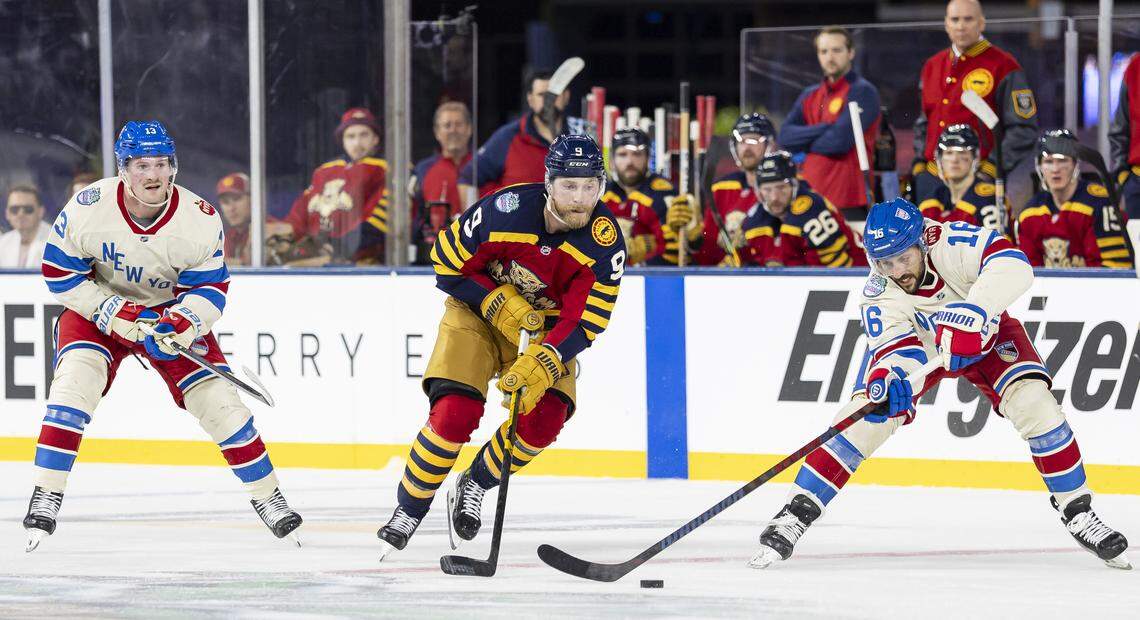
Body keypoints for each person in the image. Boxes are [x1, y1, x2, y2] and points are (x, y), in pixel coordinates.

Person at [750, 197, 1130, 571]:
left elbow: (1016, 265)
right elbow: (897, 352)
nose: (897, 270)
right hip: (924, 348)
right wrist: (892, 379)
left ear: (922, 242)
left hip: (989, 335)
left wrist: (975, 311)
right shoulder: (878, 292)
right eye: (886, 261)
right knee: (864, 417)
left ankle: (1077, 511)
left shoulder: (951, 241)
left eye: (904, 257)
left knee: (1036, 403)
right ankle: (795, 512)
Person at [26, 121, 302, 552]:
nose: (153, 175)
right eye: (141, 165)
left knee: (221, 404)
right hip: (102, 308)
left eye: (161, 163)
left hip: (166, 317)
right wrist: (110, 310)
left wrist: (182, 322)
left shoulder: (199, 218)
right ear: (123, 170)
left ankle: (269, 497)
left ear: (174, 167)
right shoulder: (88, 206)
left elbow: (210, 290)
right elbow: (60, 274)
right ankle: (46, 491)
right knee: (72, 387)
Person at [376, 135, 624, 559]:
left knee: (543, 421)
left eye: (590, 187)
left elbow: (587, 320)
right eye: (569, 185)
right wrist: (493, 299)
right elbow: (446, 264)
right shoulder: (503, 209)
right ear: (549, 183)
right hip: (475, 315)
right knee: (456, 412)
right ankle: (410, 509)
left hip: (543, 332)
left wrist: (546, 362)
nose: (580, 199)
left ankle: (475, 482)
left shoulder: (605, 243)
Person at [912, 0, 1038, 203]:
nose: (961, 26)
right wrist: (919, 164)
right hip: (932, 179)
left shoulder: (1004, 66)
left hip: (979, 180)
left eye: (968, 19)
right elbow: (923, 122)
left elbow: (1023, 128)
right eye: (955, 19)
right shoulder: (931, 66)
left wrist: (992, 168)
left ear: (982, 23)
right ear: (946, 24)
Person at [778, 26, 881, 220]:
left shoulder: (863, 92)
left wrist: (805, 143)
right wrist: (825, 128)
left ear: (850, 53)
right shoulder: (809, 95)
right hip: (809, 198)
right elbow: (784, 137)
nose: (829, 57)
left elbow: (839, 142)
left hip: (849, 199)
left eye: (836, 50)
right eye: (823, 51)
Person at [457, 67, 584, 205]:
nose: (548, 101)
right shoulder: (508, 137)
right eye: (542, 95)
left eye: (554, 94)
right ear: (530, 99)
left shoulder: (582, 136)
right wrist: (474, 222)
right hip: (517, 225)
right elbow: (468, 179)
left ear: (566, 96)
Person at [281, 107, 388, 265]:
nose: (357, 143)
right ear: (342, 141)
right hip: (316, 261)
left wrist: (341, 247)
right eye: (350, 136)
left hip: (361, 265)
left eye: (364, 135)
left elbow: (382, 222)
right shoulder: (323, 171)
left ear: (376, 139)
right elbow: (300, 213)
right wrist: (285, 236)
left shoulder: (389, 169)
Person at [670, 113, 777, 266]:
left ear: (770, 145)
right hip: (724, 282)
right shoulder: (722, 189)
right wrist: (694, 238)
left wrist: (745, 260)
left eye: (753, 139)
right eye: (741, 140)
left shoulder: (783, 188)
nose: (746, 147)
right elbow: (708, 256)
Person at [1017, 130, 1134, 269]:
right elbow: (1028, 271)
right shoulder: (1030, 213)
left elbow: (1116, 268)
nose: (1055, 169)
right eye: (1048, 161)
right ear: (1040, 167)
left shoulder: (1100, 204)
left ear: (1075, 165)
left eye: (1062, 160)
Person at [741, 151, 866, 267]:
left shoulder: (811, 210)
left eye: (781, 188)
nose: (774, 197)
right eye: (767, 190)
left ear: (794, 185)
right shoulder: (754, 220)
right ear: (758, 191)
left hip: (856, 277)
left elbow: (833, 275)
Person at [917, 124, 1011, 235]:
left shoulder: (988, 198)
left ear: (975, 157)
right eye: (949, 153)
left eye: (962, 152)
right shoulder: (932, 200)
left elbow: (999, 248)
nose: (954, 159)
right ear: (939, 159)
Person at [410, 101, 473, 264]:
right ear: (437, 132)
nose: (453, 130)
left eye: (459, 124)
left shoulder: (484, 164)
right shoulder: (423, 170)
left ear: (469, 129)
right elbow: (413, 219)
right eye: (447, 125)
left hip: (476, 256)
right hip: (433, 260)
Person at [602, 128, 669, 266]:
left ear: (648, 158)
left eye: (637, 154)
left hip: (653, 281)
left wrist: (642, 261)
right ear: (612, 160)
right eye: (622, 154)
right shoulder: (600, 196)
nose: (630, 161)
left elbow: (672, 253)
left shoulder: (663, 194)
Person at [1109, 52, 1140, 218]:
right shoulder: (1135, 67)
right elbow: (1121, 126)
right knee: (1136, 244)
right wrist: (1122, 174)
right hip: (1137, 184)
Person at [1, 184, 52, 268]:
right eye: (14, 209)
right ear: (7, 213)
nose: (20, 214)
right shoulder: (3, 243)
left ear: (41, 211)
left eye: (28, 209)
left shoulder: (57, 242)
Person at [215, 172, 252, 267]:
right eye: (225, 202)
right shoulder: (230, 235)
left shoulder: (269, 230)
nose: (231, 208)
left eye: (237, 199)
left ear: (253, 199)